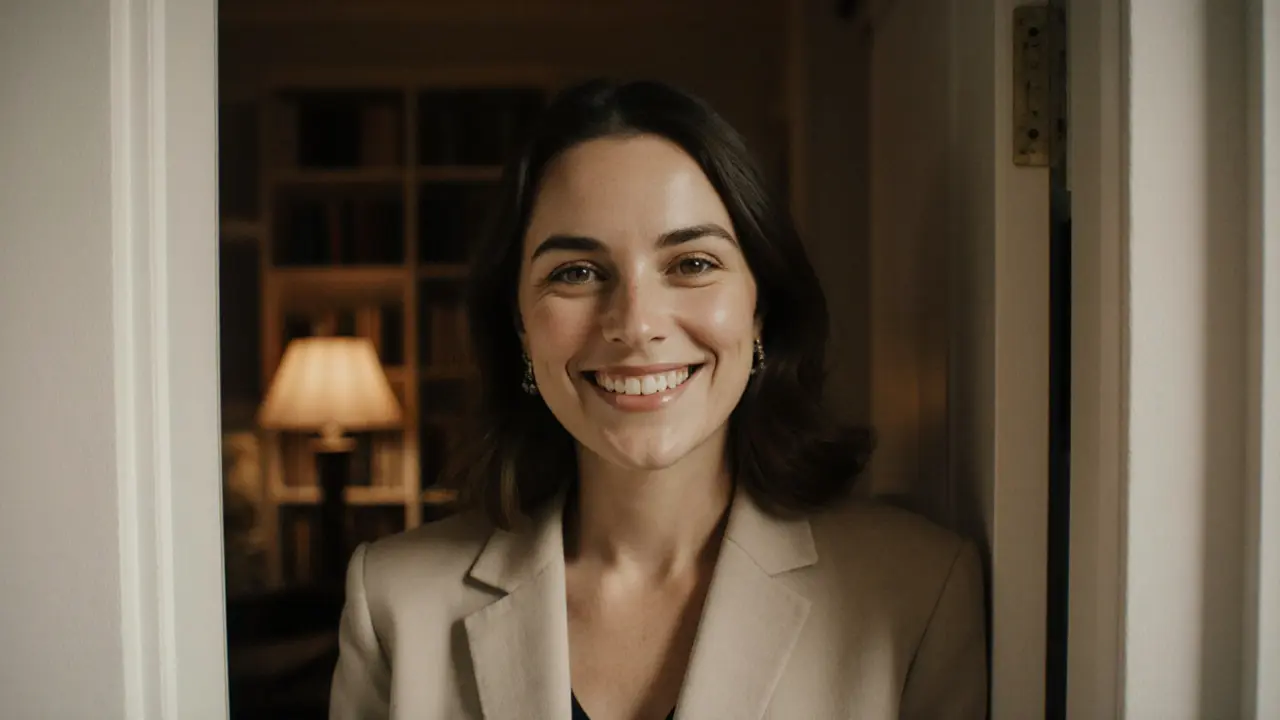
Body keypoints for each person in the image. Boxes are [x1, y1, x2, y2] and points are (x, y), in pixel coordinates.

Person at [329, 78, 987, 720]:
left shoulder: (919, 593)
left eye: (692, 263)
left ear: (761, 310)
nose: (637, 323)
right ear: (520, 328)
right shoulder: (394, 603)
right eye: (577, 272)